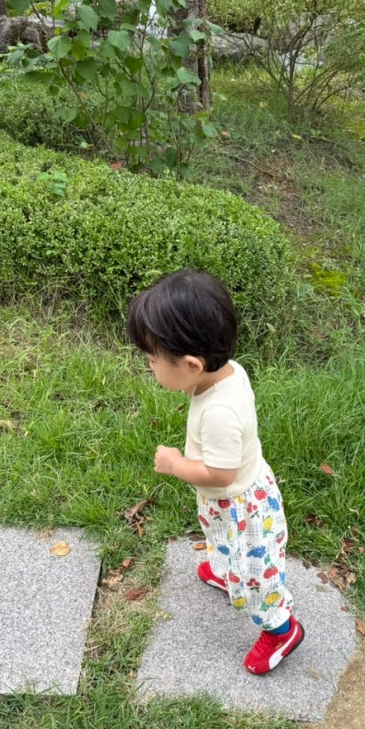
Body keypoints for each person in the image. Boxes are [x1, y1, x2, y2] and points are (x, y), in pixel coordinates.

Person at [126, 270, 304, 674]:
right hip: (231, 501)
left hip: (242, 509)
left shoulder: (220, 412)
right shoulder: (226, 372)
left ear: (192, 365)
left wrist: (175, 464)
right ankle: (226, 570)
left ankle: (281, 628)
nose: (149, 366)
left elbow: (220, 474)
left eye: (152, 360)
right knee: (220, 539)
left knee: (255, 576)